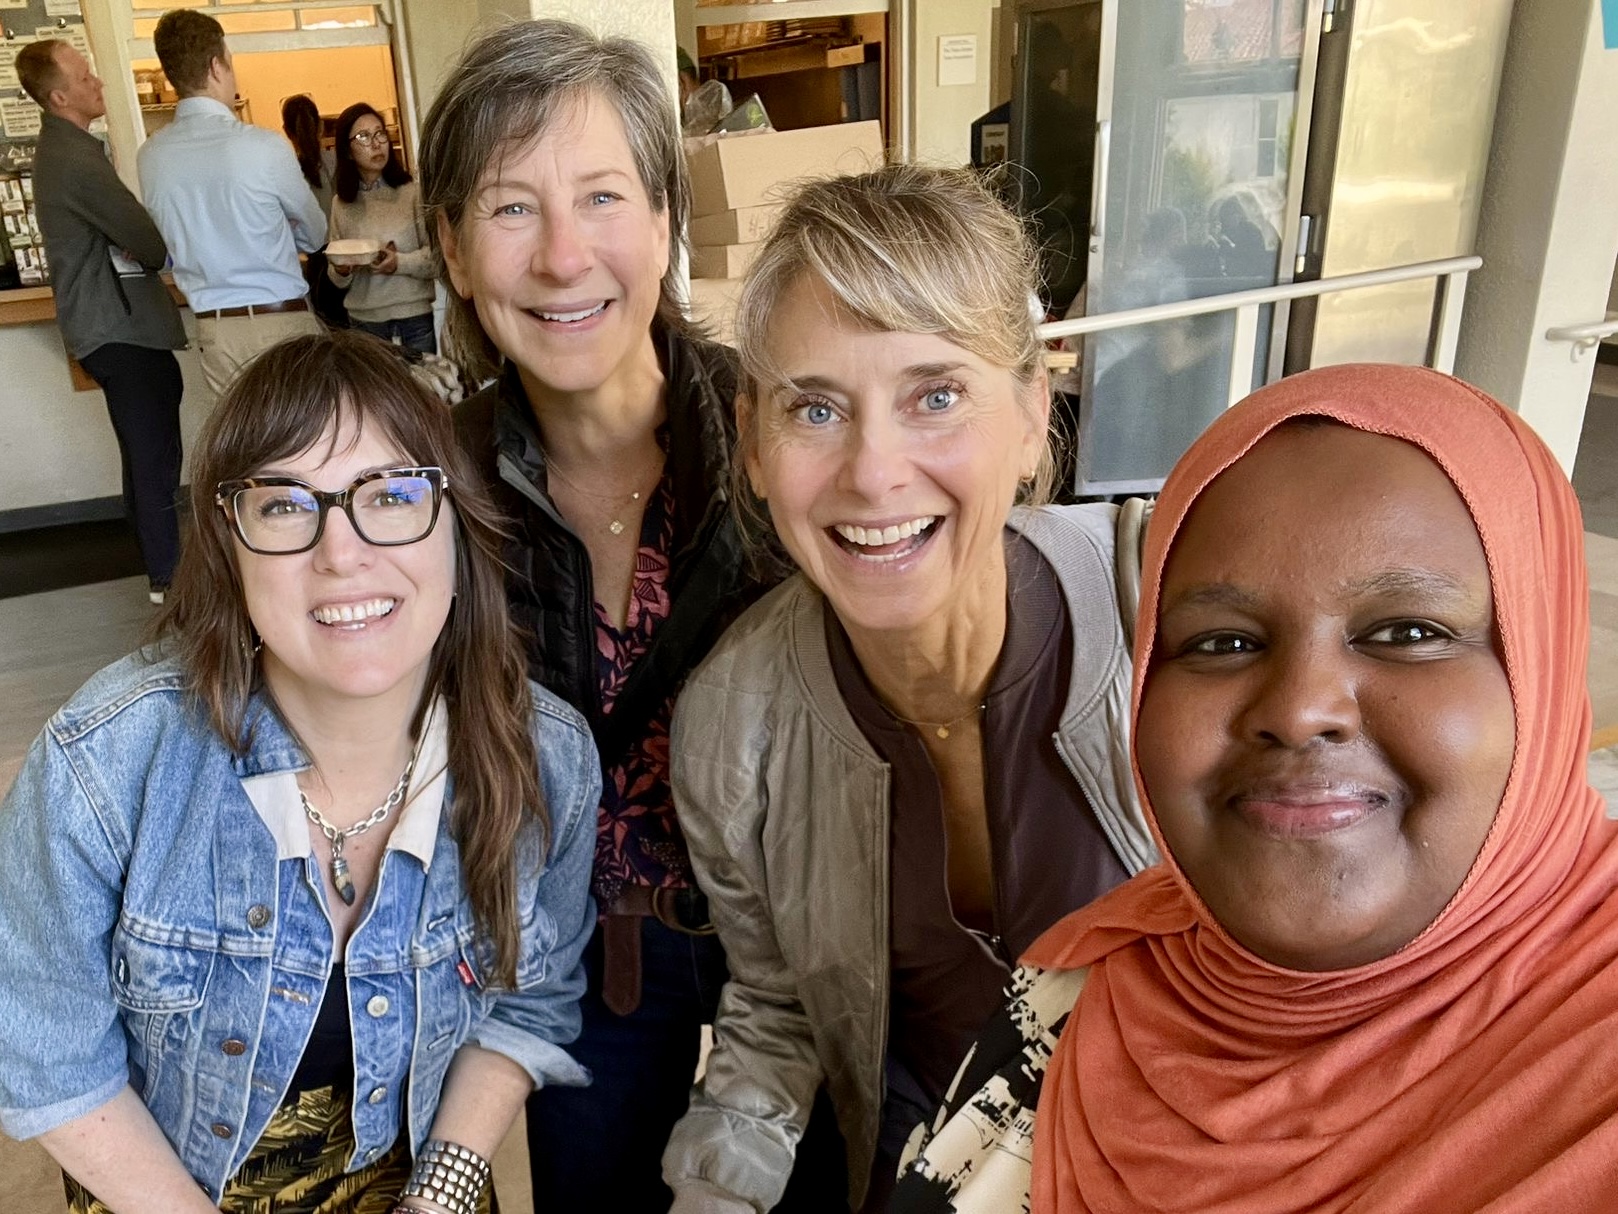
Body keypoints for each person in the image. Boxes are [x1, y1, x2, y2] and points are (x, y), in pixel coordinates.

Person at [901, 363, 1618, 1214]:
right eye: (1223, 643)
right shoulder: (1079, 990)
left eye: (1407, 632)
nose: (1299, 709)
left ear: (1543, 665)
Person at [0, 331, 598, 1214]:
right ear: (228, 544)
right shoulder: (106, 761)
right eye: (284, 505)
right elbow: (47, 1059)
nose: (342, 553)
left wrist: (442, 1193)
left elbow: (531, 1001)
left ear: (457, 523)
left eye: (390, 494)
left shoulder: (546, 757)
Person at [661, 164, 1157, 1214]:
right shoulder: (732, 722)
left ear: (1031, 413)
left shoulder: (1168, 609)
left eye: (935, 396)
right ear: (753, 446)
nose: (874, 472)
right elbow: (778, 1011)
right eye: (815, 409)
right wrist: (712, 1191)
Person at [419, 20, 781, 1210]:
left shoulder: (779, 436)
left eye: (602, 197)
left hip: (794, 954)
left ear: (666, 222)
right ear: (453, 248)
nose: (564, 256)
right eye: (511, 208)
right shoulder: (430, 490)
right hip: (579, 967)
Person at [18, 38, 186, 605]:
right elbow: (148, 241)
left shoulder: (63, 151)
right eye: (85, 76)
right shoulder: (74, 157)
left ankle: (162, 570)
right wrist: (146, 245)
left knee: (144, 453)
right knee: (153, 455)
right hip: (120, 327)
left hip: (109, 328)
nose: (98, 83)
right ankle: (168, 577)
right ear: (59, 97)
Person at [139, 9, 326, 396]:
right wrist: (282, 232)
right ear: (216, 67)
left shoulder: (151, 156)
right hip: (282, 322)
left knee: (240, 435)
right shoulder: (264, 146)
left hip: (215, 330)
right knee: (304, 431)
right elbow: (316, 234)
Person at [327, 101, 436, 355]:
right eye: (363, 137)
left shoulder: (413, 193)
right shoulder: (341, 203)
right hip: (364, 322)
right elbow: (337, 277)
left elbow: (437, 260)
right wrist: (342, 269)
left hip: (414, 317)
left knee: (424, 381)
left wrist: (398, 263)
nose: (376, 144)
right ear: (347, 151)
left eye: (380, 134)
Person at [280, 93, 346, 330]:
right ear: (320, 127)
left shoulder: (286, 173)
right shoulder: (340, 163)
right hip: (348, 259)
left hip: (316, 267)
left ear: (287, 131)